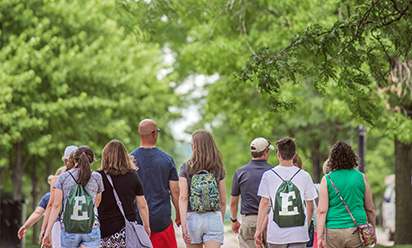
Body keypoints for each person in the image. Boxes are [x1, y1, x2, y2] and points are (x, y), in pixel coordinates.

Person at [255, 137, 318, 248]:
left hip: (276, 234)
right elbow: (310, 205)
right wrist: (306, 226)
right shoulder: (305, 175)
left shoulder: (268, 175)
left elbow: (264, 203)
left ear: (278, 154)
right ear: (294, 154)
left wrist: (259, 229)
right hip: (298, 233)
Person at [130, 119, 180, 248]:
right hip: (162, 221)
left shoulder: (129, 161)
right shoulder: (167, 160)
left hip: (137, 221)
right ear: (154, 134)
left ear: (139, 134)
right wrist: (179, 215)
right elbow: (175, 192)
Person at [316, 141, 376, 248]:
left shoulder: (327, 179)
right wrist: (372, 230)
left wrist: (320, 237)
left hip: (334, 230)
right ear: (352, 157)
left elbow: (322, 211)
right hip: (357, 229)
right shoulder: (361, 177)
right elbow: (370, 208)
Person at [42, 146, 104, 248]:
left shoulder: (63, 177)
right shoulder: (97, 177)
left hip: (69, 228)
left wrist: (48, 231)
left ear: (74, 160)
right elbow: (97, 202)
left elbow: (56, 206)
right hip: (91, 226)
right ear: (91, 160)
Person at [98, 140, 151, 247]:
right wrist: (146, 225)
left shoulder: (98, 176)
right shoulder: (132, 176)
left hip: (103, 230)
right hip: (126, 231)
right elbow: (142, 204)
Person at [179, 130, 226, 248]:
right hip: (213, 216)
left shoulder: (186, 167)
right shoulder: (218, 168)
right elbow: (223, 200)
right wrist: (220, 220)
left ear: (194, 146)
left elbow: (183, 198)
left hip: (192, 217)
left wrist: (183, 224)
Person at [230, 137, 274, 248]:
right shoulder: (274, 173)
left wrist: (234, 220)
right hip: (271, 219)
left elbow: (234, 200)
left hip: (249, 220)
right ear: (265, 152)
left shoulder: (240, 172)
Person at [40, 145, 78, 247]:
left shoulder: (57, 179)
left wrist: (45, 230)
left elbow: (52, 205)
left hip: (61, 225)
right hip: (82, 224)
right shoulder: (87, 178)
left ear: (65, 161)